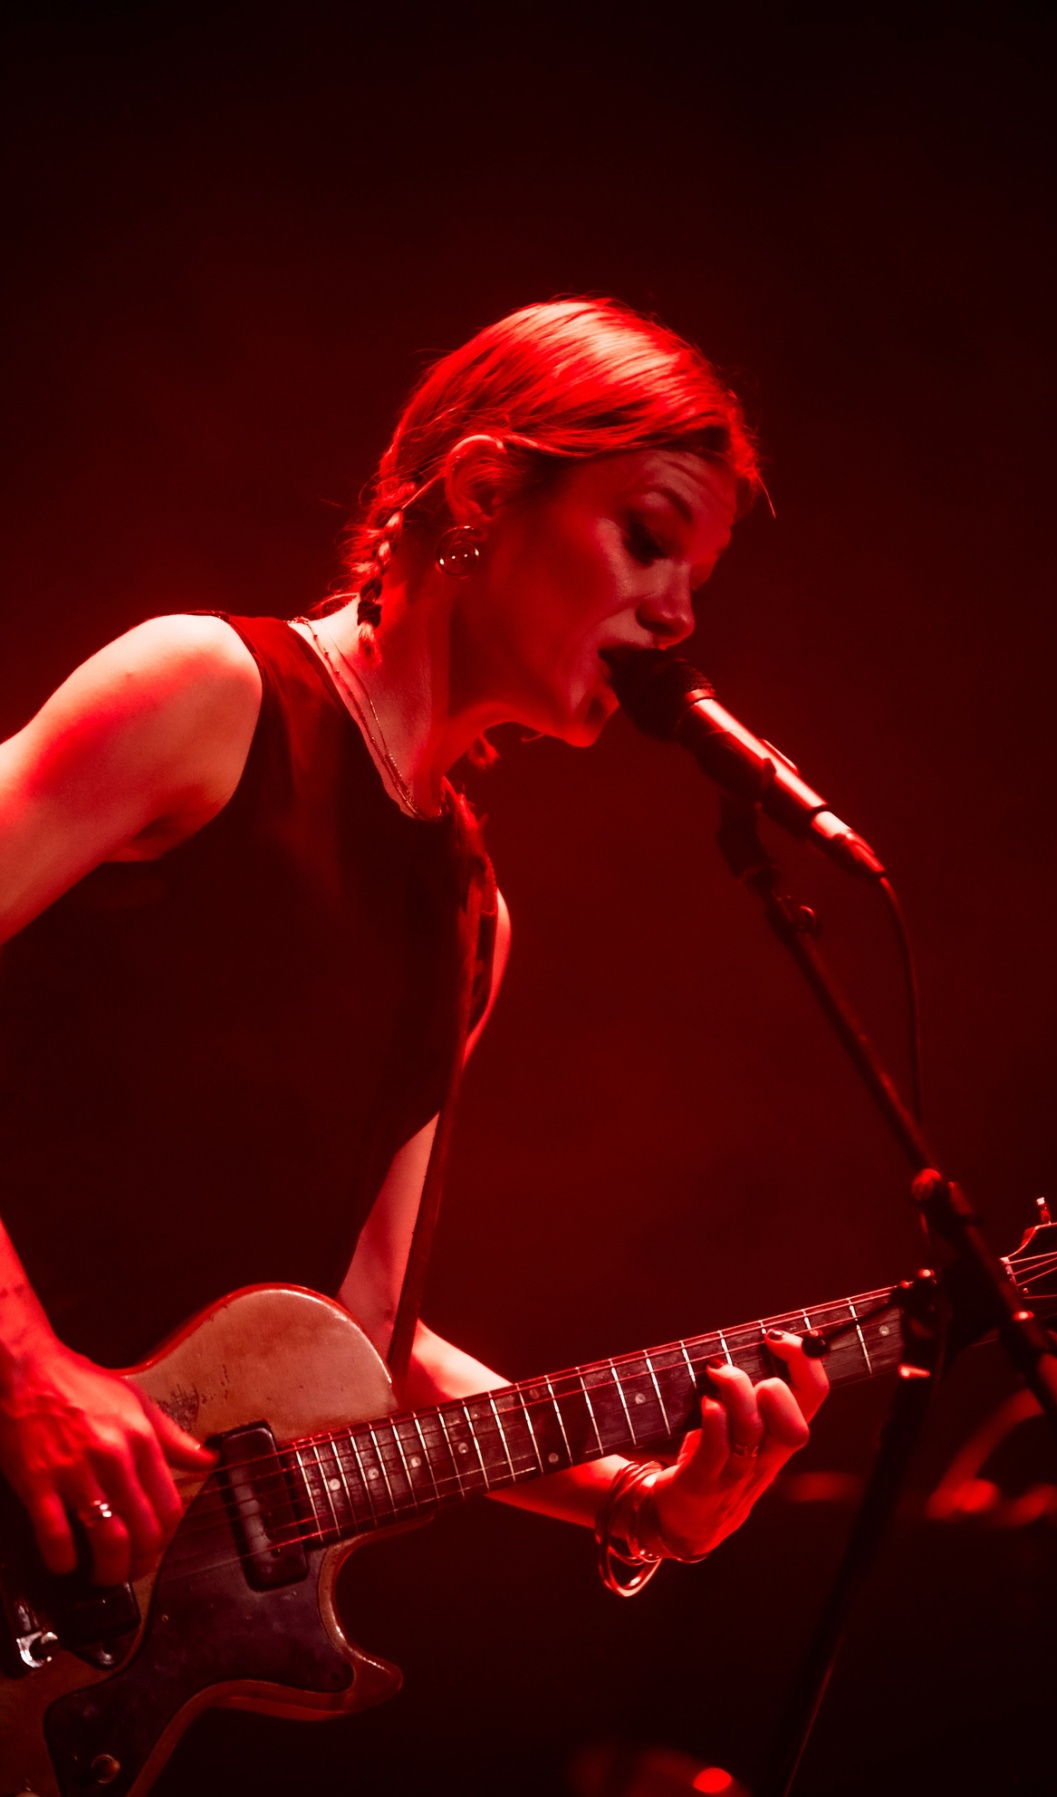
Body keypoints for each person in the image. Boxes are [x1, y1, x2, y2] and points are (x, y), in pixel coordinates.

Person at [0, 298, 826, 1607]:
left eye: (695, 581)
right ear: (484, 489)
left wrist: (634, 1500)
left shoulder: (470, 915)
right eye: (647, 539)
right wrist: (22, 1366)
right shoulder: (207, 693)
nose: (676, 616)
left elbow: (368, 1347)